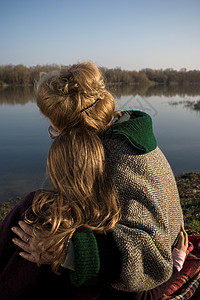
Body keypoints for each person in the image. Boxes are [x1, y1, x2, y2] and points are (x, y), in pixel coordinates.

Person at [1, 62, 185, 298]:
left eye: (53, 127)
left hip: (134, 286)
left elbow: (150, 261)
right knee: (38, 207)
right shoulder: (119, 134)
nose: (51, 129)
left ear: (72, 131)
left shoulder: (123, 161)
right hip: (126, 252)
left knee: (37, 213)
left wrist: (67, 251)